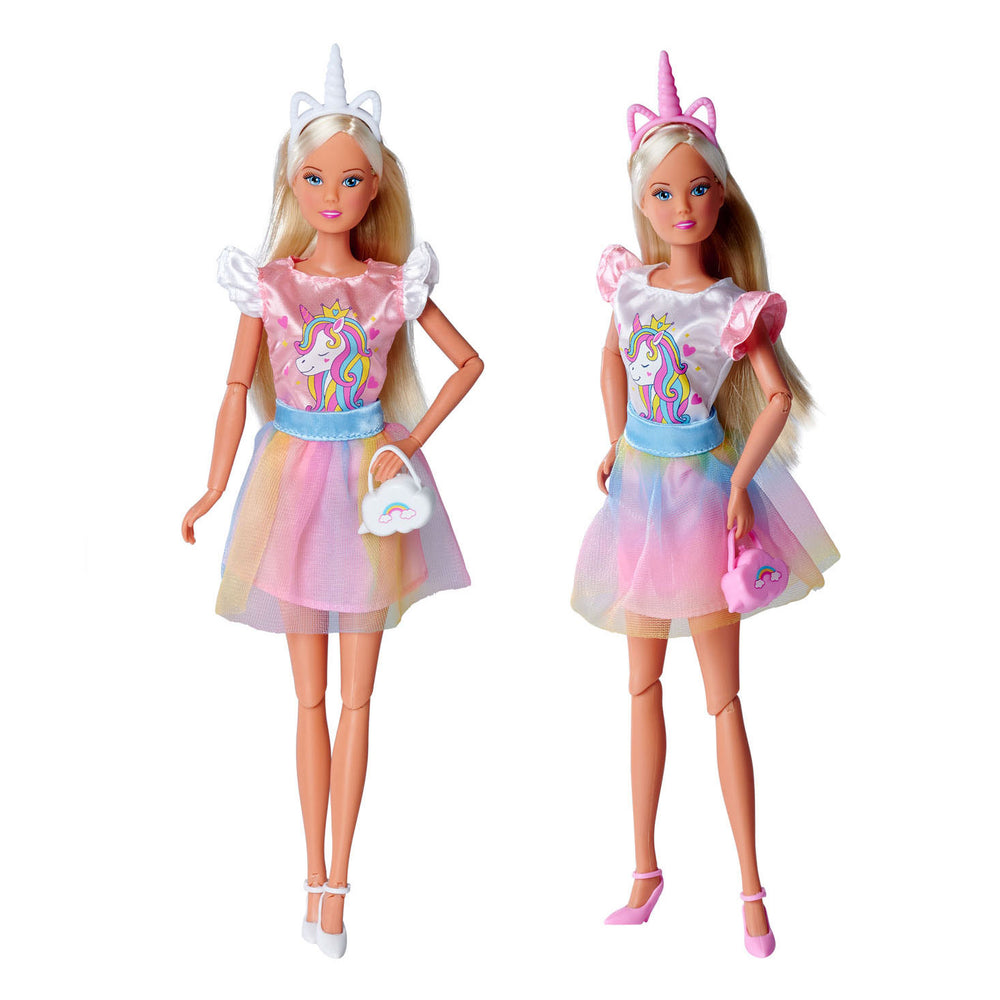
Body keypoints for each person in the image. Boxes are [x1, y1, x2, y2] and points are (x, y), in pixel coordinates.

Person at [181, 45, 482, 958]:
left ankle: (337, 888)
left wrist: (408, 443)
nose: (331, 194)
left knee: (356, 701)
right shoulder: (270, 283)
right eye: (314, 177)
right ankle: (310, 875)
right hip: (291, 486)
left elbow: (470, 363)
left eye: (350, 180)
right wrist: (213, 484)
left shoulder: (391, 285)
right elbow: (235, 388)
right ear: (291, 179)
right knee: (308, 701)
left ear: (376, 188)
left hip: (365, 490)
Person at [571, 50, 838, 957]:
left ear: (721, 196)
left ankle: (751, 885)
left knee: (724, 700)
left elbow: (775, 396)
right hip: (638, 494)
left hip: (699, 499)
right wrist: (614, 439)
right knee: (640, 685)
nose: (682, 208)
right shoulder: (630, 286)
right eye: (663, 194)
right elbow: (611, 361)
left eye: (697, 191)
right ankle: (644, 869)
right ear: (641, 204)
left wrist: (738, 479)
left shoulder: (731, 306)